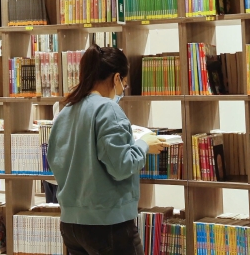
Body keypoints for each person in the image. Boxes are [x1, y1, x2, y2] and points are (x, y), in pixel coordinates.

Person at [47, 44, 166, 255]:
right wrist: (144, 144)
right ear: (116, 78)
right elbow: (121, 166)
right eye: (124, 85)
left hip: (71, 225)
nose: (122, 91)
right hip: (107, 224)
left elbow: (56, 161)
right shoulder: (107, 108)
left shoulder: (66, 111)